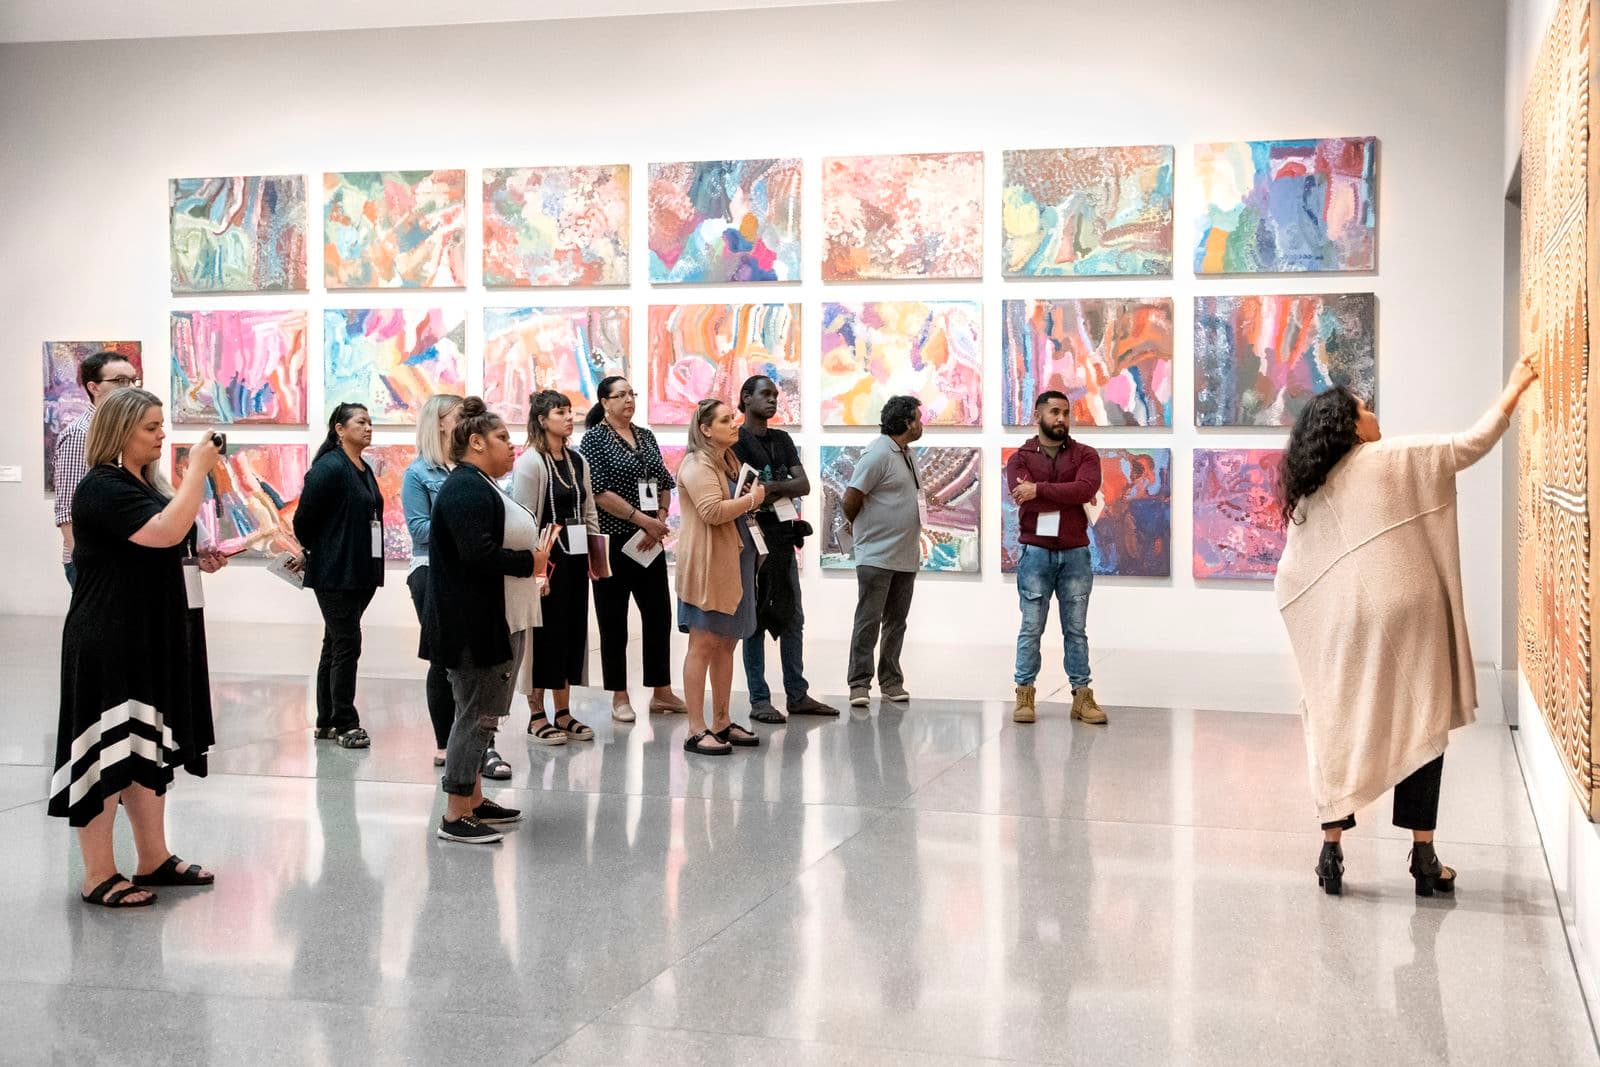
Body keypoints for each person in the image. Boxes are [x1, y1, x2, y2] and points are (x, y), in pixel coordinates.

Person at [1276, 355, 1540, 897]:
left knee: (1334, 719)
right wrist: (1515, 386)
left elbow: (1290, 575)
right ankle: (1424, 856)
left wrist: (1322, 612)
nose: (1374, 417)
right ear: (1352, 426)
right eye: (1366, 410)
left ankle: (1331, 851)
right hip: (1411, 612)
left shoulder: (1311, 490)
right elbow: (1471, 444)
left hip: (1345, 624)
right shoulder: (1392, 456)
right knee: (1422, 721)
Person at [50, 388, 227, 907]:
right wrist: (198, 470)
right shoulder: (101, 487)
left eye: (160, 425)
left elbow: (170, 539)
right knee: (104, 755)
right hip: (109, 636)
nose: (161, 434)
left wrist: (199, 556)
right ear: (121, 430)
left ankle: (153, 857)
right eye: (151, 427)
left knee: (144, 748)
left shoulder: (142, 484)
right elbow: (165, 531)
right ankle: (98, 874)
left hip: (148, 634)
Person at [420, 398, 542, 844]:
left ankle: (472, 798)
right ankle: (455, 813)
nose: (512, 447)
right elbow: (479, 555)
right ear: (475, 442)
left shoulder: (479, 484)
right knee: (476, 716)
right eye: (503, 439)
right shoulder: (467, 488)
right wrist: (530, 562)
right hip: (472, 624)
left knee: (482, 714)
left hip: (489, 618)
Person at [579, 375, 687, 720]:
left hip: (648, 543)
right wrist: (643, 520)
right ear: (605, 402)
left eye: (632, 393)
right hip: (609, 542)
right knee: (613, 622)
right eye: (621, 394)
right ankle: (619, 696)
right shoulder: (594, 440)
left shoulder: (645, 435)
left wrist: (660, 515)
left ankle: (662, 691)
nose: (628, 399)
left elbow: (663, 481)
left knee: (658, 614)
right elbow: (598, 493)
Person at [403, 394, 499, 773]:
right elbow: (417, 528)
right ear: (439, 422)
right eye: (458, 415)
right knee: (443, 661)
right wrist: (460, 528)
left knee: (479, 662)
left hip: (473, 570)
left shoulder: (473, 470)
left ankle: (480, 743)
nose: (466, 420)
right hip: (430, 571)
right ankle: (446, 742)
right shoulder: (418, 473)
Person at [734, 375, 837, 723]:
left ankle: (797, 693)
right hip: (751, 541)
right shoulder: (736, 441)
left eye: (776, 395)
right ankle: (759, 699)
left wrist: (772, 486)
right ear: (746, 398)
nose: (773, 400)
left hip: (783, 539)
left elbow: (804, 484)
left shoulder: (782, 439)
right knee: (755, 620)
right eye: (765, 394)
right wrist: (781, 488)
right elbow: (743, 492)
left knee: (793, 616)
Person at [1005, 390, 1106, 726]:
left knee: (1076, 629)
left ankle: (1081, 696)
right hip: (1035, 553)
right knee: (1031, 627)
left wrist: (1040, 489)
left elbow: (1085, 490)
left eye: (1065, 413)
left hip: (1075, 553)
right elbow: (1026, 500)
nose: (1061, 419)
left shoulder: (1086, 454)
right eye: (1054, 412)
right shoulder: (1019, 459)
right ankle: (1024, 693)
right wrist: (1058, 494)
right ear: (1038, 416)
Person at [512, 389, 602, 745]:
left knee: (569, 633)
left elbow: (590, 510)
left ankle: (563, 712)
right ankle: (536, 715)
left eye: (569, 411)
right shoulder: (531, 463)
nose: (569, 417)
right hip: (546, 563)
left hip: (576, 561)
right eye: (560, 412)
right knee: (542, 638)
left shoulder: (578, 461)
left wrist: (597, 556)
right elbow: (524, 520)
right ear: (541, 419)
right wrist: (536, 572)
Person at [675, 399, 765, 755]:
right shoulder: (697, 464)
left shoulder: (728, 460)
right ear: (705, 429)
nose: (735, 423)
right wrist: (753, 500)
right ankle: (696, 729)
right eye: (726, 420)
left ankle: (722, 720)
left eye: (733, 417)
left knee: (727, 642)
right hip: (708, 563)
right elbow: (712, 512)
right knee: (703, 644)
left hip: (735, 560)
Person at [293, 403, 384, 749]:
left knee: (335, 642)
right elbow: (304, 520)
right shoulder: (329, 468)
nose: (368, 427)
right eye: (360, 422)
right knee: (348, 641)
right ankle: (346, 721)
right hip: (335, 571)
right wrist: (319, 548)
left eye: (370, 421)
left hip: (361, 570)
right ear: (339, 429)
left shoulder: (363, 468)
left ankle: (326, 720)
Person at [842, 395, 924, 709]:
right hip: (876, 555)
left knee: (896, 622)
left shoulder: (907, 453)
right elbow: (851, 498)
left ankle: (891, 681)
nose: (921, 423)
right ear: (905, 421)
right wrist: (864, 532)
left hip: (905, 556)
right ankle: (858, 684)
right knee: (868, 620)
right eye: (918, 418)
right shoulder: (877, 453)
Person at [54, 349, 141, 588]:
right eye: (121, 381)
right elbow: (67, 511)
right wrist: (86, 567)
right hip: (94, 562)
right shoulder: (79, 435)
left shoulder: (125, 431)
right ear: (94, 388)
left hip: (122, 556)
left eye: (133, 380)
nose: (131, 388)